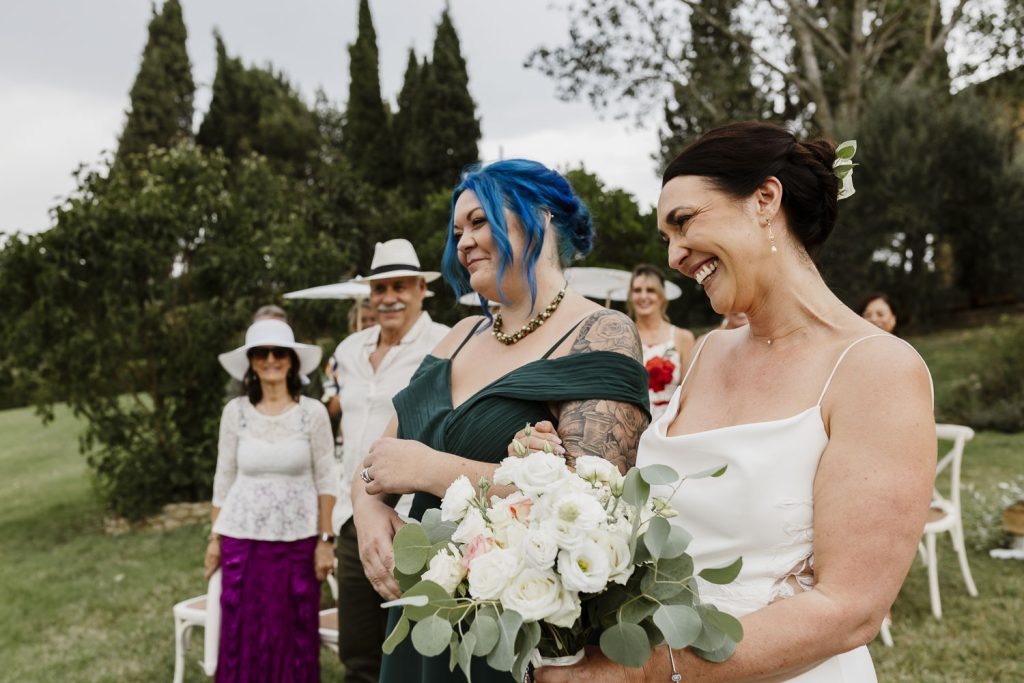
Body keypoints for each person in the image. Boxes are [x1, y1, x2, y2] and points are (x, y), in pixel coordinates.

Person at [535, 122, 935, 682]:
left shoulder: (878, 370)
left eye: (684, 222)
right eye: (666, 238)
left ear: (765, 200)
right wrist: (553, 475)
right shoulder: (709, 353)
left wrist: (643, 673)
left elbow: (849, 611)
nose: (674, 256)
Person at [353, 159, 652, 683]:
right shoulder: (462, 334)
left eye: (478, 221)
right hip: (424, 607)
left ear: (540, 216)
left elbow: (592, 504)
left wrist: (429, 471)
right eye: (457, 231)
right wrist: (368, 515)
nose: (463, 242)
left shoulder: (600, 332)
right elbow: (380, 460)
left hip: (514, 627)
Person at [327, 239, 450, 683]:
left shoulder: (445, 345)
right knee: (358, 653)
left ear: (421, 288)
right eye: (379, 288)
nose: (388, 297)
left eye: (400, 285)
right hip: (350, 518)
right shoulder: (348, 350)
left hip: (413, 522)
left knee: (416, 653)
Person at [206, 318, 337, 682]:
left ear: (292, 360)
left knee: (292, 630)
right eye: (260, 353)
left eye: (279, 352)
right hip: (241, 541)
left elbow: (328, 480)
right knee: (241, 632)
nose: (270, 359)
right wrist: (215, 539)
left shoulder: (313, 414)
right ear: (250, 362)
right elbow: (223, 478)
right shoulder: (235, 413)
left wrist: (326, 542)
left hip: (298, 541)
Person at [627, 263, 695, 420]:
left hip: (670, 425)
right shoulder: (623, 336)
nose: (643, 296)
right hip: (631, 425)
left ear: (661, 295)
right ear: (631, 296)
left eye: (650, 290)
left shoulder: (682, 337)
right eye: (637, 290)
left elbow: (690, 394)